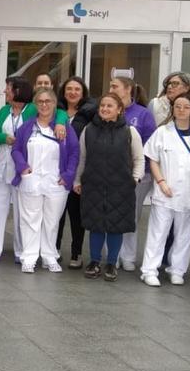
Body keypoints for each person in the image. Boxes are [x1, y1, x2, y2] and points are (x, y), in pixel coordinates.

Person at [141, 94, 190, 287]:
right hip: (165, 191)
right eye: (178, 106)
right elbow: (153, 159)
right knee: (158, 233)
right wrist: (161, 182)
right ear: (173, 109)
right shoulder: (162, 132)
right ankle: (149, 270)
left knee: (185, 234)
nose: (181, 110)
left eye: (186, 107)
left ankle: (177, 270)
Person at [74, 93, 143, 282]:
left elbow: (138, 159)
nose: (104, 109)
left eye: (109, 106)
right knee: (95, 225)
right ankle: (94, 261)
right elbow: (82, 158)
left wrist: (135, 179)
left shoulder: (130, 132)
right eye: (102, 105)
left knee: (115, 226)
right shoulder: (88, 130)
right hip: (93, 185)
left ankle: (111, 263)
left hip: (121, 187)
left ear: (119, 109)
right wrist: (77, 181)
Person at [11, 87, 79, 273]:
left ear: (55, 104)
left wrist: (68, 176)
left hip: (56, 182)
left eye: (47, 101)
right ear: (35, 104)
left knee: (52, 221)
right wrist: (23, 167)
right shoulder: (26, 128)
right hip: (31, 180)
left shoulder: (64, 128)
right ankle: (29, 257)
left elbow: (74, 152)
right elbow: (16, 149)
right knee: (29, 220)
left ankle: (50, 256)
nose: (44, 105)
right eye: (40, 101)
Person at [111, 76, 157, 272]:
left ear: (128, 89)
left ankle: (128, 256)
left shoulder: (143, 114)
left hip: (137, 176)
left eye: (115, 86)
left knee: (131, 215)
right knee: (110, 215)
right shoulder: (107, 109)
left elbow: (150, 145)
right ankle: (111, 256)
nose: (111, 88)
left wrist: (140, 172)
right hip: (111, 174)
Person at [0, 77, 32, 263]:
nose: (5, 91)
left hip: (22, 167)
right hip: (2, 164)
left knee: (22, 210)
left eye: (8, 88)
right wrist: (4, 137)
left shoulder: (33, 110)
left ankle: (21, 251)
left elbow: (56, 114)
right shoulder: (4, 110)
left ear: (19, 91)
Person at [56, 76, 97, 268]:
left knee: (76, 215)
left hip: (78, 170)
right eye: (69, 89)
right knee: (56, 214)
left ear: (83, 93)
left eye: (77, 89)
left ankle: (76, 253)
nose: (72, 92)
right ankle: (53, 250)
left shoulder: (90, 113)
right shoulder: (56, 111)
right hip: (56, 168)